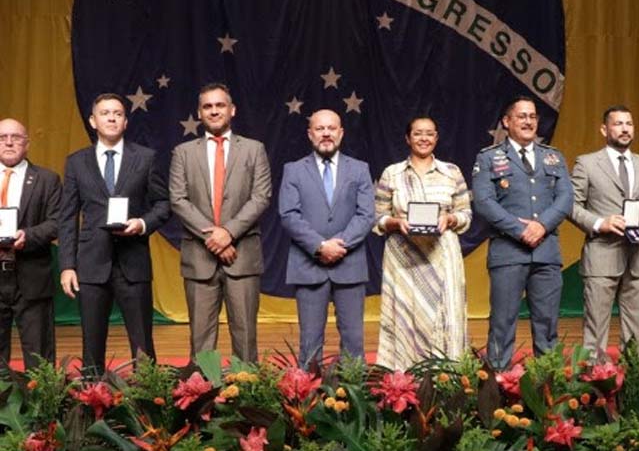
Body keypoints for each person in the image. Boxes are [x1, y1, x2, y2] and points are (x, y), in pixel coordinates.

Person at [59, 94, 170, 373]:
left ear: (125, 122)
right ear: (92, 121)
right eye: (105, 113)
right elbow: (67, 217)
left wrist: (142, 223)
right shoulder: (76, 162)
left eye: (118, 113)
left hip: (133, 263)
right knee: (92, 345)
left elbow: (163, 203)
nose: (111, 118)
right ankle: (91, 396)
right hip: (91, 264)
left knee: (143, 346)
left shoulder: (145, 158)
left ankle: (148, 395)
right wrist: (67, 266)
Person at [169, 83, 271, 362]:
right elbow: (178, 199)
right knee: (200, 344)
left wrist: (228, 232)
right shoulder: (182, 152)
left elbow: (261, 196)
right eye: (207, 106)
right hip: (199, 259)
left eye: (220, 105)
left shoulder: (254, 149)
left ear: (232, 110)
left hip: (242, 257)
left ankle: (247, 389)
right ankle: (203, 389)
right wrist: (214, 238)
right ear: (199, 113)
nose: (214, 111)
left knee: (246, 341)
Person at [472, 95, 573, 370]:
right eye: (521, 116)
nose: (528, 121)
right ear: (507, 121)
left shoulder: (553, 157)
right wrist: (520, 230)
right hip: (508, 252)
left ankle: (547, 385)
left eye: (532, 116)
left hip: (546, 253)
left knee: (547, 325)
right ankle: (497, 383)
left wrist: (542, 225)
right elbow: (484, 202)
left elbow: (566, 198)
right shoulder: (488, 157)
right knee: (502, 324)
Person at [373, 116, 472, 369]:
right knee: (405, 315)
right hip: (403, 258)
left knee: (446, 314)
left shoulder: (451, 172)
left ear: (436, 138)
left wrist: (450, 218)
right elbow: (377, 217)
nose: (424, 138)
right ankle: (404, 377)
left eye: (429, 133)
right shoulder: (392, 173)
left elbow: (466, 214)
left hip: (442, 256)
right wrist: (396, 223)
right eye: (418, 133)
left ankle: (447, 374)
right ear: (408, 138)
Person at [279, 109, 374, 367]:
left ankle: (355, 390)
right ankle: (310, 392)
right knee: (310, 343)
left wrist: (339, 245)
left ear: (341, 133)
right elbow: (288, 215)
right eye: (320, 129)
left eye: (331, 128)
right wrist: (320, 246)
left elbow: (366, 215)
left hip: (349, 265)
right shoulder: (293, 170)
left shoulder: (360, 169)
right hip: (309, 266)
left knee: (354, 341)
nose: (326, 134)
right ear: (310, 134)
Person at [569, 105, 639, 354]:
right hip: (602, 254)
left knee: (636, 329)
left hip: (638, 256)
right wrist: (600, 223)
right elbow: (571, 205)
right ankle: (593, 375)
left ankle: (634, 375)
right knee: (595, 328)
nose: (625, 129)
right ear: (604, 129)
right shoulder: (587, 163)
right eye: (618, 124)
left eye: (629, 124)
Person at [0, 119, 61, 369]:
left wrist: (28, 235)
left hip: (32, 275)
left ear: (27, 143)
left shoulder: (47, 179)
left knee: (40, 359)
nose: (9, 142)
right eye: (2, 138)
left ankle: (41, 396)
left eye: (16, 137)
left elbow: (57, 222)